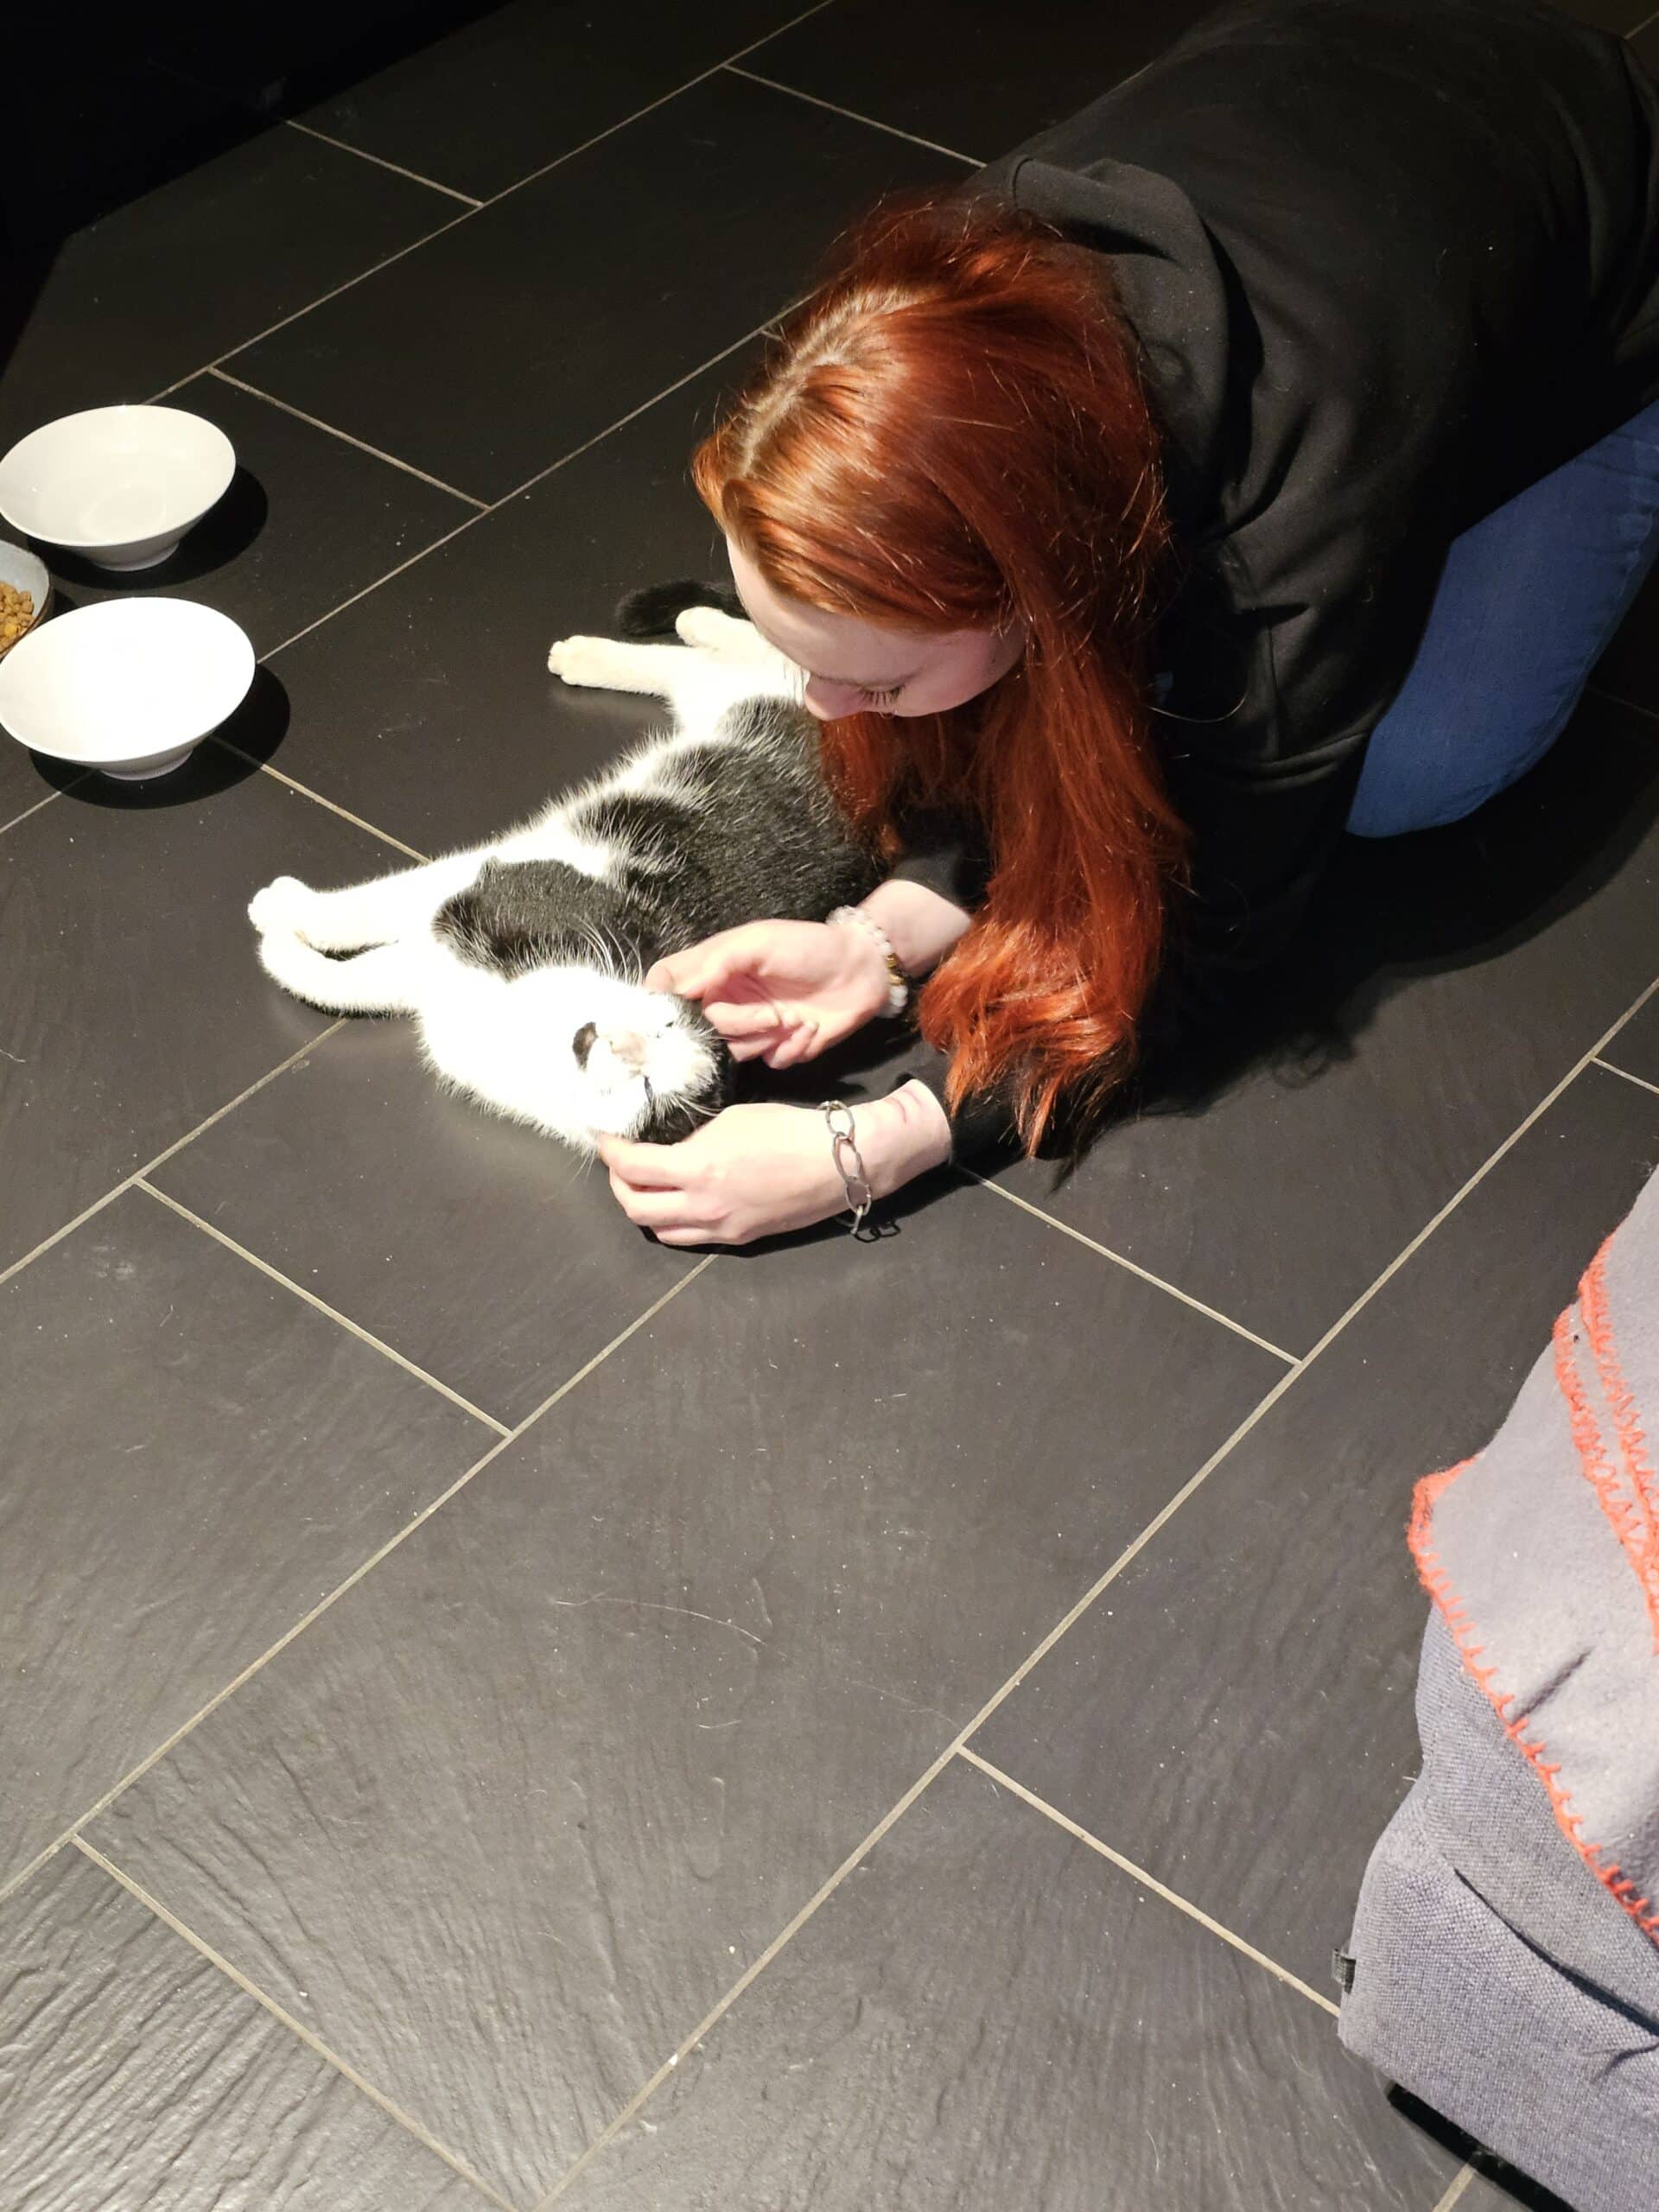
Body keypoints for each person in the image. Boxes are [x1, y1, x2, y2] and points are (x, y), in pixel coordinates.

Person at [597, 0, 1659, 1249]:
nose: (821, 707)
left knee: (1415, 765)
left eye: (875, 686)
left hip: (1596, 232)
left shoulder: (1299, 500)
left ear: (1044, 591)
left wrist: (877, 1145)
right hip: (1340, 102)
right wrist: (883, 935)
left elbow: (1220, 932)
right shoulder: (923, 315)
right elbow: (1015, 685)